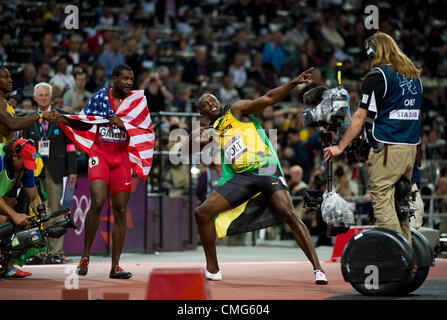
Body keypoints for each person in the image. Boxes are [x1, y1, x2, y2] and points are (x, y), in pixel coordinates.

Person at [187, 66, 328, 284]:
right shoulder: (212, 131)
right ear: (202, 112)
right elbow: (185, 152)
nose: (211, 104)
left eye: (213, 100)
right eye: (205, 104)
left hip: (265, 170)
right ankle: (213, 268)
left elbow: (268, 98)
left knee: (288, 213)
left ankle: (318, 269)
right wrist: (197, 137)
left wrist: (293, 82)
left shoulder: (236, 109)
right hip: (243, 178)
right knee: (202, 213)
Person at [324, 32, 423, 243]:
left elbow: (360, 115)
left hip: (388, 148)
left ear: (373, 52)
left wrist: (340, 147)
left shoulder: (378, 76)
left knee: (382, 198)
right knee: (401, 204)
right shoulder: (414, 76)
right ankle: (409, 256)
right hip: (410, 149)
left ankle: (395, 251)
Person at [53, 64, 140, 279]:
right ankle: (85, 257)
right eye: (125, 78)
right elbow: (84, 124)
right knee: (98, 201)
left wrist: (124, 126)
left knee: (120, 211)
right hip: (100, 154)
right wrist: (63, 118)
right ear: (115, 79)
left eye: (132, 79)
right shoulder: (100, 97)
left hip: (121, 159)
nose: (129, 82)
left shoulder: (135, 102)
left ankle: (115, 266)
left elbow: (144, 130)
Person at [21, 82, 78, 265]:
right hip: (35, 171)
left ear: (51, 97)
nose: (44, 98)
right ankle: (40, 252)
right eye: (41, 95)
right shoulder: (29, 118)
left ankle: (56, 252)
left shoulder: (61, 116)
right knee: (39, 211)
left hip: (57, 169)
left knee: (56, 211)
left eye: (47, 95)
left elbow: (71, 144)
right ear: (35, 98)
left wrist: (72, 170)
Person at [0, 139, 43, 278]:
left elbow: (34, 197)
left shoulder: (25, 167)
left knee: (7, 220)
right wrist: (15, 215)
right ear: (14, 156)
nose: (26, 167)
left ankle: (7, 266)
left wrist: (41, 213)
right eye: (24, 163)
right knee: (4, 219)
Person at [0, 66, 55, 144]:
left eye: (10, 77)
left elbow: (9, 126)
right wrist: (40, 115)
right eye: (6, 77)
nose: (10, 80)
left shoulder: (6, 103)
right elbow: (12, 124)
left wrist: (17, 132)